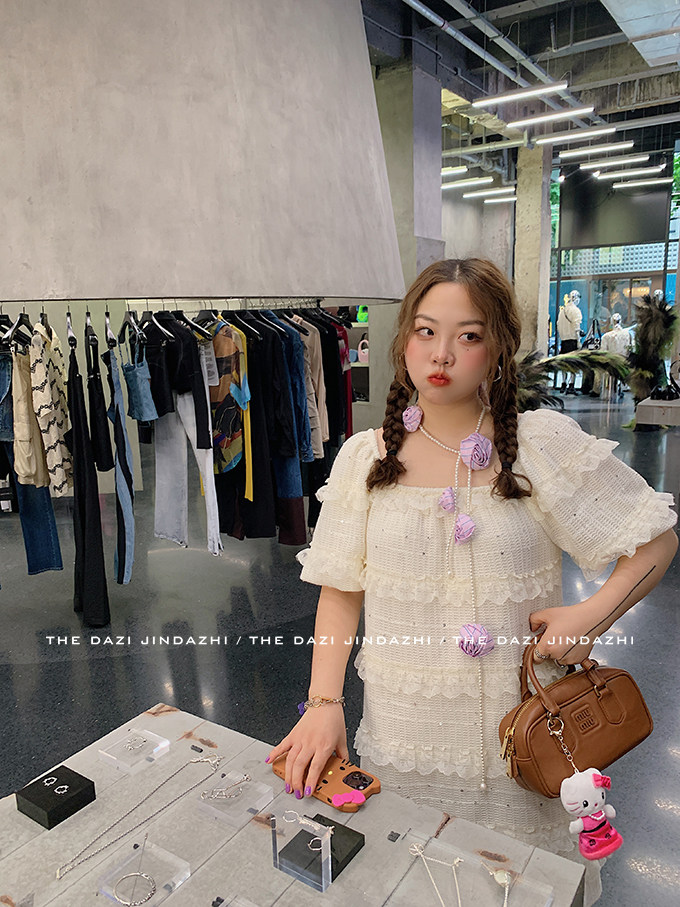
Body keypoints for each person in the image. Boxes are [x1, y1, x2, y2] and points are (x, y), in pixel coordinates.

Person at [266, 259, 677, 905]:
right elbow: (340, 590)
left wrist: (591, 614)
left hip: (527, 746)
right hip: (405, 739)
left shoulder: (539, 446)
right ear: (404, 339)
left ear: (499, 348)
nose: (442, 354)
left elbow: (655, 538)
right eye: (426, 331)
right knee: (413, 882)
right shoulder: (365, 459)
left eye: (469, 335)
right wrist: (323, 704)